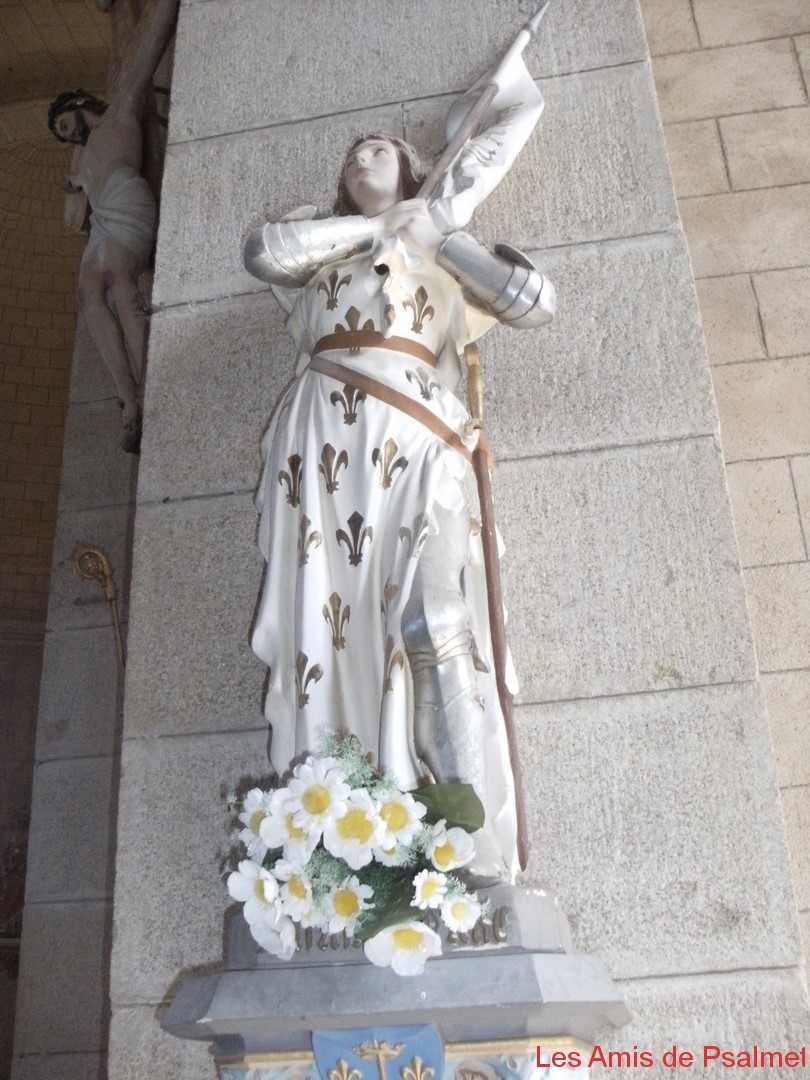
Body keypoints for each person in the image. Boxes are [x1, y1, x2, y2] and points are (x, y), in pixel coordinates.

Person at [245, 110, 555, 881]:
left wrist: (441, 235)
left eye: (379, 149)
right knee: (329, 637)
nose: (363, 157)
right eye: (352, 154)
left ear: (413, 169)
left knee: (434, 619)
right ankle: (347, 841)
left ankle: (469, 842)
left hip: (419, 435)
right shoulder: (322, 242)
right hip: (326, 445)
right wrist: (376, 227)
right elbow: (264, 253)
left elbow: (535, 301)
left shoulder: (440, 245)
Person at [48, 0, 178, 453]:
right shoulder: (81, 160)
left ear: (80, 105)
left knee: (122, 285)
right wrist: (73, 185)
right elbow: (72, 216)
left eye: (68, 123)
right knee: (88, 293)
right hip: (103, 219)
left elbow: (141, 54)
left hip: (126, 200)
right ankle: (127, 396)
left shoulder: (121, 109)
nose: (71, 134)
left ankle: (150, 387)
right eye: (64, 134)